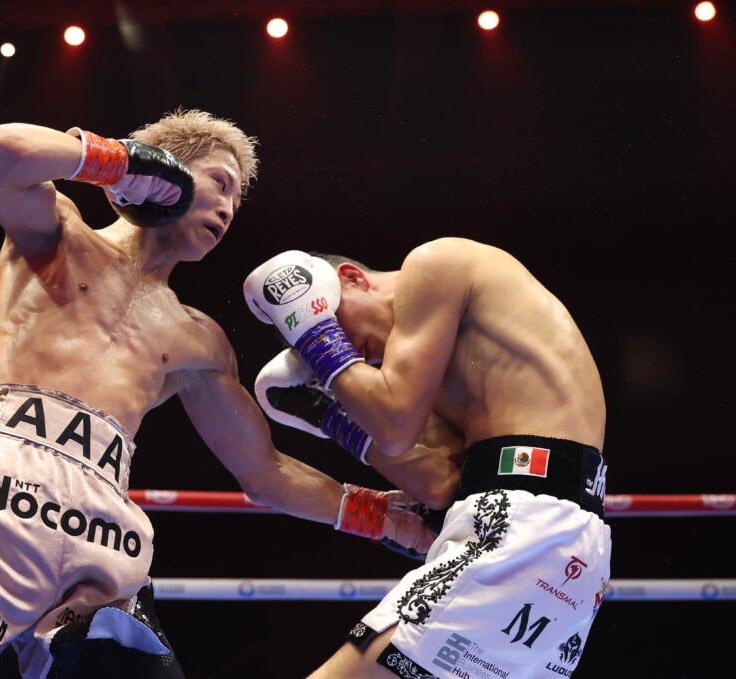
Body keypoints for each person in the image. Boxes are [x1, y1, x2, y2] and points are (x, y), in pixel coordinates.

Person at [0, 110, 435, 679]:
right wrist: (118, 163)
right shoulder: (58, 232)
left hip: (101, 531)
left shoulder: (199, 339)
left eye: (237, 199)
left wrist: (380, 517)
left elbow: (265, 472)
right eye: (219, 183)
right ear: (167, 173)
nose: (229, 208)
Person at [243, 239, 611, 678]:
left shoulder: (436, 263)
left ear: (351, 279)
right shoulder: (437, 375)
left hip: (527, 529)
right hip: (556, 547)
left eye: (332, 321)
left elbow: (394, 429)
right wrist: (330, 415)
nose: (352, 358)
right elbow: (438, 486)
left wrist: (313, 337)